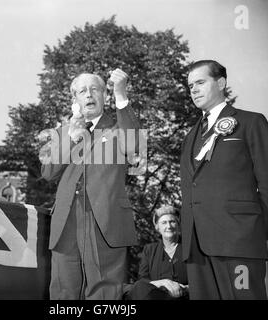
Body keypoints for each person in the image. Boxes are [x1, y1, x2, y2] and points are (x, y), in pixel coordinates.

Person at [180, 59, 268, 299]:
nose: (193, 89)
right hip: (196, 248)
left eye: (200, 82)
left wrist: (253, 230)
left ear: (221, 83)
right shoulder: (190, 136)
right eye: (190, 85)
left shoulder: (251, 122)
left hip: (239, 242)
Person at [41, 68, 141, 300]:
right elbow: (47, 171)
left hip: (105, 219)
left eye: (95, 89)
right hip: (66, 220)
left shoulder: (120, 126)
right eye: (82, 91)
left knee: (104, 290)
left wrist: (121, 95)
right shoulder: (62, 132)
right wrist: (70, 136)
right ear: (74, 99)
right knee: (63, 290)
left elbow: (134, 146)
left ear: (105, 96)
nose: (89, 95)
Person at [125, 205, 188, 300]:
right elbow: (143, 281)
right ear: (158, 227)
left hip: (185, 296)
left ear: (178, 225)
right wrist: (162, 282)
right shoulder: (149, 250)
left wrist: (185, 289)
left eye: (172, 222)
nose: (169, 226)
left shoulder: (189, 248)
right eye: (164, 223)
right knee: (138, 287)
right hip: (157, 297)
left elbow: (201, 277)